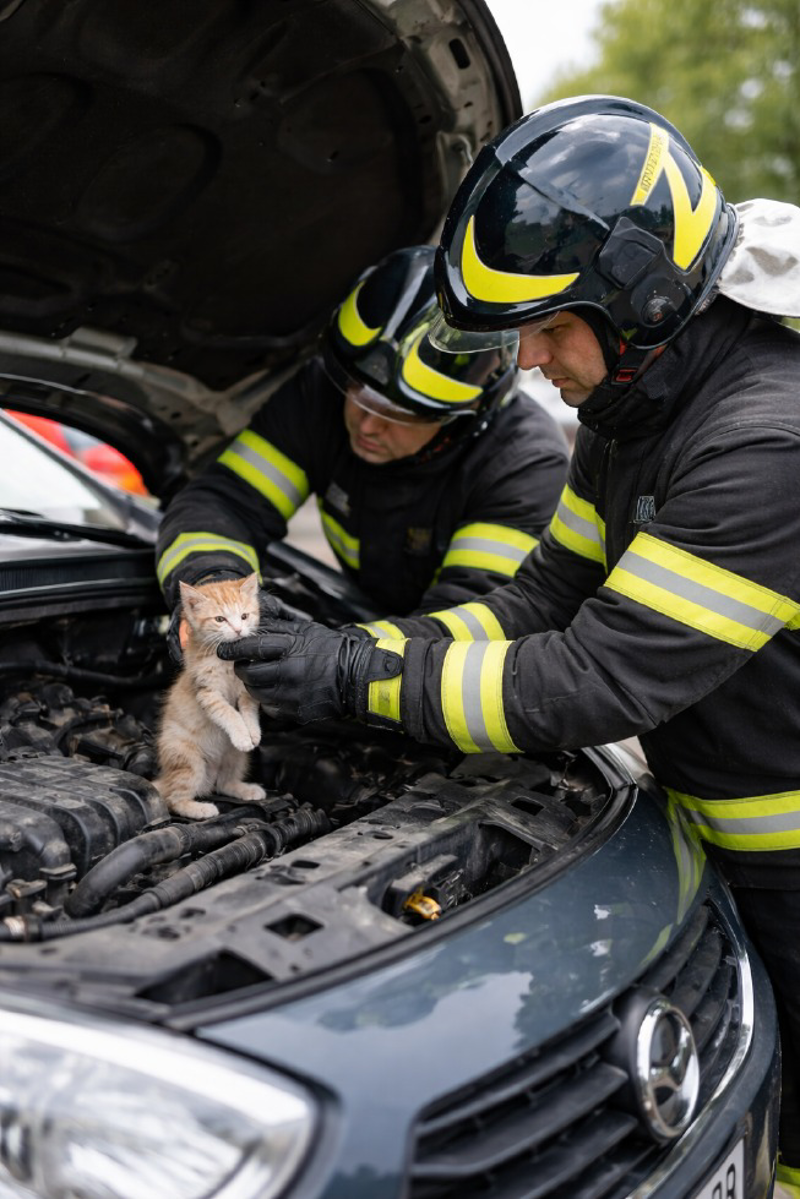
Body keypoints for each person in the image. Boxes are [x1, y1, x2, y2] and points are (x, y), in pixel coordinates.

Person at [218, 96, 800, 1190]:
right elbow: (537, 603)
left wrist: (354, 681)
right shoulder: (638, 419)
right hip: (716, 845)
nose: (526, 361)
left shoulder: (764, 440)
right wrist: (358, 652)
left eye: (547, 325)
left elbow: (589, 680)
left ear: (641, 300)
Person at [156, 244, 569, 632]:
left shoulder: (523, 463)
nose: (367, 425)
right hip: (368, 613)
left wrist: (328, 661)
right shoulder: (320, 395)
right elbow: (225, 502)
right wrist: (213, 589)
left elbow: (466, 621)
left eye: (400, 414)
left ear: (460, 420)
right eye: (357, 392)